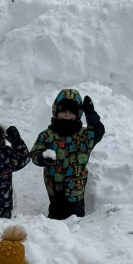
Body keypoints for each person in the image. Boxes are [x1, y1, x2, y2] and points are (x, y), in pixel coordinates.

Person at [29, 89, 105, 219]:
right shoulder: (47, 135)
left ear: (78, 113)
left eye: (71, 112)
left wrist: (91, 115)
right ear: (56, 112)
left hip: (76, 184)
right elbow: (35, 153)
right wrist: (42, 158)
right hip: (53, 182)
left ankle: (76, 230)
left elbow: (98, 132)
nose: (67, 115)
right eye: (63, 111)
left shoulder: (84, 136)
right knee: (56, 208)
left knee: (75, 212)